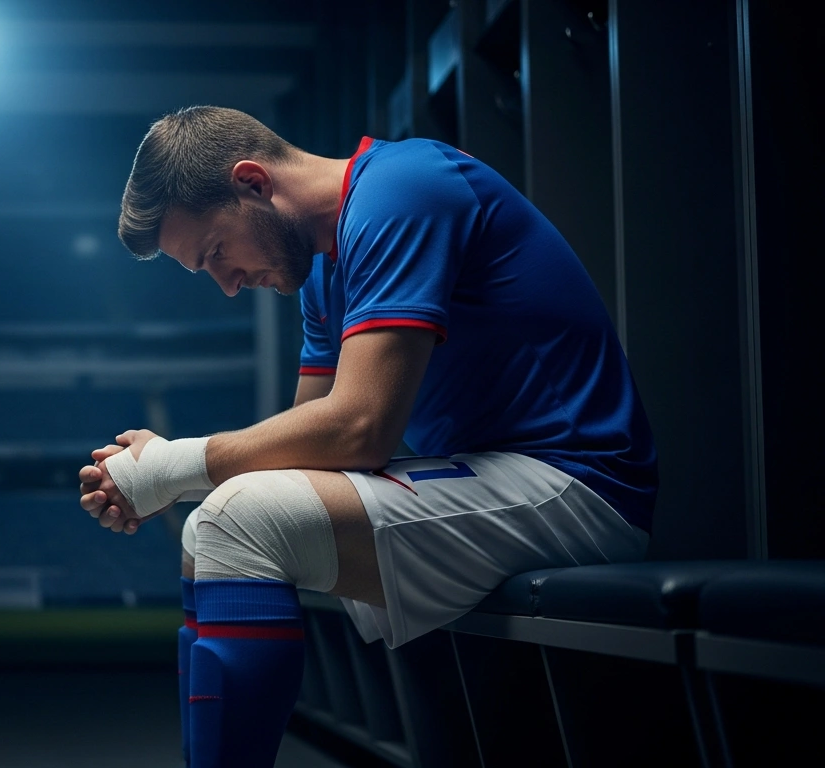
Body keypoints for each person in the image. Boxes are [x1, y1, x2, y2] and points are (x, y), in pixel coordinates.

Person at [76, 106, 657, 768]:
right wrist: (152, 476)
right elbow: (300, 449)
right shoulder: (323, 272)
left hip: (580, 482)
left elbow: (358, 429)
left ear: (253, 183)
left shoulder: (403, 188)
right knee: (214, 526)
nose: (229, 285)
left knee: (238, 522)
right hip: (491, 474)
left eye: (216, 254)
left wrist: (168, 468)